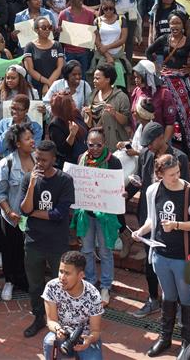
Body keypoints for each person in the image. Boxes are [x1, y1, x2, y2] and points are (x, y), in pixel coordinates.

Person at [132, 152, 190, 357]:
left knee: (186, 298)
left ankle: (187, 342)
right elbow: (152, 220)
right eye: (171, 174)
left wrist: (177, 225)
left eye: (178, 172)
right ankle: (165, 337)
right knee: (168, 297)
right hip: (160, 254)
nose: (176, 177)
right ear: (160, 174)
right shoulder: (153, 191)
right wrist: (141, 232)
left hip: (183, 256)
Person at [21, 140, 76, 339]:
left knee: (61, 283)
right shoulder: (29, 178)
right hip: (34, 241)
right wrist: (33, 184)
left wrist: (34, 212)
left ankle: (63, 321)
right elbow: (24, 210)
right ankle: (38, 317)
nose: (40, 163)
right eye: (37, 159)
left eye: (44, 160)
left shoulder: (65, 180)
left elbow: (59, 213)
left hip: (56, 243)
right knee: (35, 285)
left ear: (54, 159)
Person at [74, 127, 121, 305]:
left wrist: (120, 194)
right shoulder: (81, 159)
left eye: (98, 145)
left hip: (105, 215)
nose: (94, 148)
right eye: (90, 144)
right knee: (86, 250)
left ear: (105, 144)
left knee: (105, 251)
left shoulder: (113, 161)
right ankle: (91, 283)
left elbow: (117, 187)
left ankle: (106, 286)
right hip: (86, 213)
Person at [0, 121, 35, 302]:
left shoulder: (38, 160)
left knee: (28, 252)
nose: (32, 141)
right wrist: (9, 211)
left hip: (34, 218)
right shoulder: (6, 164)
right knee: (11, 251)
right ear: (18, 143)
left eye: (32, 137)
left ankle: (25, 280)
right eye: (27, 139)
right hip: (12, 218)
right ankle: (9, 282)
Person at [41, 250, 105, 360]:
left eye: (67, 273)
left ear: (81, 275)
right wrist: (58, 329)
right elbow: (51, 320)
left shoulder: (93, 295)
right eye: (61, 271)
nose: (62, 277)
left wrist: (89, 339)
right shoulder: (52, 287)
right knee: (48, 342)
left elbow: (95, 331)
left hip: (84, 336)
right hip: (61, 332)